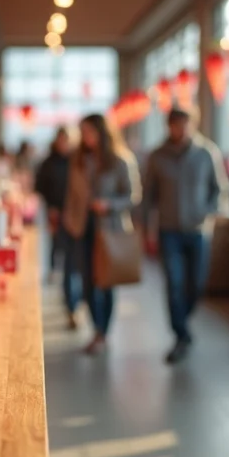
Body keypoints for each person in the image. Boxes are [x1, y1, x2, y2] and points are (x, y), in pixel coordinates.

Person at [143, 108, 229, 364]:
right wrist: (144, 228)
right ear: (168, 126)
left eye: (184, 125)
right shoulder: (158, 156)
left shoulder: (206, 153)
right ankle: (181, 335)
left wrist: (209, 211)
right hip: (168, 231)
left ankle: (183, 320)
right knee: (174, 283)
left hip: (198, 231)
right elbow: (149, 195)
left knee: (196, 285)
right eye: (175, 125)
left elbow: (220, 189)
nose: (180, 130)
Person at [61, 114, 140, 349]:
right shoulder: (78, 159)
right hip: (82, 228)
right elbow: (71, 194)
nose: (85, 137)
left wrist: (109, 204)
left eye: (89, 132)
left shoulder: (120, 160)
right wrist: (69, 218)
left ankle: (102, 331)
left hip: (109, 230)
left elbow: (133, 196)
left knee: (106, 281)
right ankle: (97, 327)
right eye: (82, 132)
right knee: (87, 282)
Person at [35, 128, 71, 279]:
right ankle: (53, 270)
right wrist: (51, 206)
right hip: (54, 208)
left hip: (71, 210)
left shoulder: (74, 161)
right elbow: (40, 186)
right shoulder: (48, 163)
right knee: (54, 241)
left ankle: (68, 274)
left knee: (69, 244)